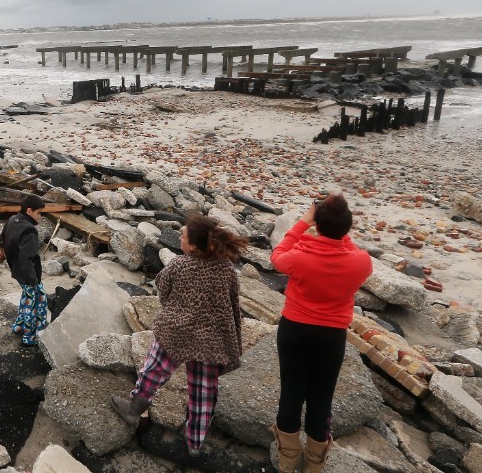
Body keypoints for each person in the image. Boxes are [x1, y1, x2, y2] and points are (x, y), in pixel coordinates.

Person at [111, 214, 246, 458]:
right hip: (212, 338)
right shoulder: (226, 268)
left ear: (193, 245)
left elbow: (163, 291)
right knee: (204, 390)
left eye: (182, 236)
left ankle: (135, 407)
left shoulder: (180, 265)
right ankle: (195, 442)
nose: (180, 238)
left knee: (153, 369)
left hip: (177, 330)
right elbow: (233, 302)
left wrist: (179, 307)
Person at [269, 195, 372, 473]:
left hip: (294, 329)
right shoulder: (361, 262)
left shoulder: (300, 258)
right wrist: (335, 232)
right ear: (347, 228)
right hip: (331, 335)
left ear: (318, 224)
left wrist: (305, 222)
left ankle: (288, 461)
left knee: (291, 392)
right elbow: (344, 246)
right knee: (321, 397)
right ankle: (314, 464)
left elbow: (277, 255)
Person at [2, 195, 47, 346]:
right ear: (29, 211)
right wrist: (33, 280)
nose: (40, 217)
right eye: (39, 213)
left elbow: (1, 238)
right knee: (35, 303)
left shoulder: (12, 220)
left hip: (17, 270)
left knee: (31, 298)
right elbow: (27, 258)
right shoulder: (29, 231)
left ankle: (19, 326)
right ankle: (30, 337)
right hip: (28, 274)